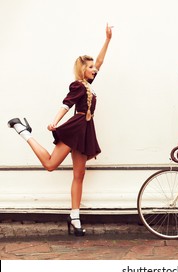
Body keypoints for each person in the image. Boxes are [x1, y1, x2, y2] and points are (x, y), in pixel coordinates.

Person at [7, 24, 113, 237]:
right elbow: (66, 105)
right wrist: (54, 122)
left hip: (86, 130)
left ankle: (75, 217)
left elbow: (100, 62)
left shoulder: (89, 85)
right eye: (91, 67)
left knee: (79, 175)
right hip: (76, 129)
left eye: (95, 67)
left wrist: (107, 40)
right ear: (83, 69)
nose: (95, 69)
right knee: (50, 165)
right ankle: (22, 130)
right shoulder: (78, 85)